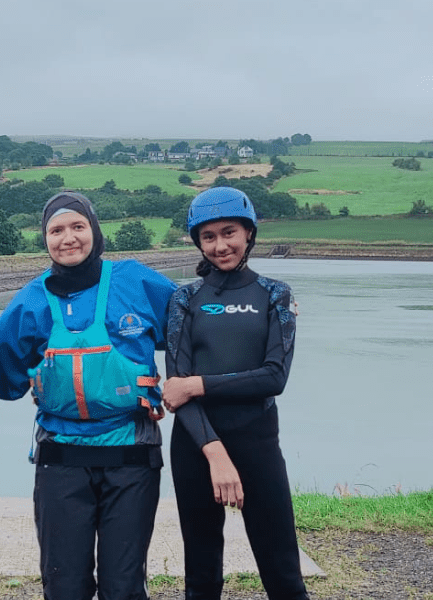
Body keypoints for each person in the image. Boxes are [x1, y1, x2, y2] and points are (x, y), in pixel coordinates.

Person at [0, 191, 177, 600]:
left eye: (77, 226)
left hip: (131, 454)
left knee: (123, 586)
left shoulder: (136, 281)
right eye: (56, 230)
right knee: (64, 585)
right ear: (45, 239)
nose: (68, 238)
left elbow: (194, 321)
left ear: (94, 230)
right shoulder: (29, 301)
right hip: (61, 458)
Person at [163, 186, 308, 599]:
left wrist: (201, 384)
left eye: (229, 232)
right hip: (195, 446)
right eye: (208, 237)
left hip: (257, 442)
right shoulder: (185, 298)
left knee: (282, 569)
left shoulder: (275, 294)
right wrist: (213, 448)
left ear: (249, 234)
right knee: (202, 571)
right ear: (198, 242)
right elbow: (176, 391)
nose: (220, 245)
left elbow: (273, 378)